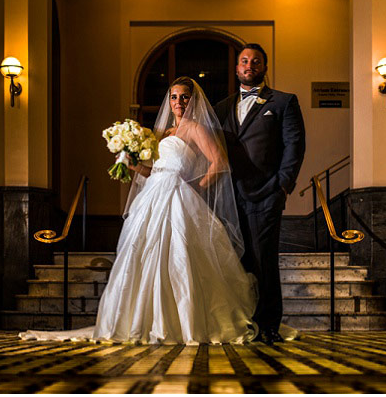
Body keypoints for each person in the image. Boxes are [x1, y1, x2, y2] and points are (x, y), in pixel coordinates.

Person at [20, 77, 258, 344]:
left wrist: (198, 188)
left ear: (193, 101)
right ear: (168, 101)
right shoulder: (162, 134)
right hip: (153, 194)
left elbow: (219, 162)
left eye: (184, 97)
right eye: (174, 97)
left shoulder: (195, 128)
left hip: (179, 196)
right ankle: (140, 320)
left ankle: (183, 321)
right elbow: (152, 171)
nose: (179, 102)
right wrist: (131, 163)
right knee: (140, 253)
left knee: (179, 255)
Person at [215, 44, 306, 345]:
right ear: (236, 68)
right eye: (244, 61)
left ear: (264, 67)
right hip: (229, 195)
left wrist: (283, 184)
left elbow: (294, 146)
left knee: (264, 259)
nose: (249, 65)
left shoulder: (283, 102)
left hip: (266, 193)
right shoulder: (222, 107)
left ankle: (268, 325)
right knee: (238, 262)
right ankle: (242, 321)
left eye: (255, 61)